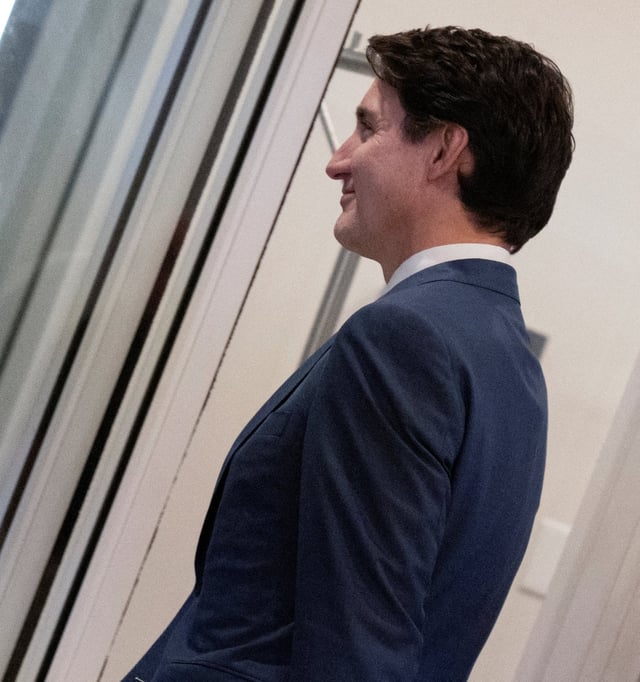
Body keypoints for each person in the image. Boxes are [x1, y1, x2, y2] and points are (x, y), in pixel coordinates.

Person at [123, 26, 574, 681]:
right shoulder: (508, 362)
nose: (339, 160)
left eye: (368, 128)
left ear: (446, 148)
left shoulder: (405, 338)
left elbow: (358, 649)